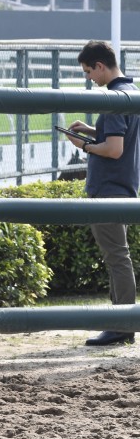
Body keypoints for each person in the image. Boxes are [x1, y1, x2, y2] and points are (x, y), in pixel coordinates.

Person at [63, 40, 139, 346]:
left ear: (100, 66)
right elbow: (117, 135)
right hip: (123, 186)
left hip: (107, 189)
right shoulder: (131, 93)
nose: (88, 78)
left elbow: (114, 148)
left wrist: (82, 145)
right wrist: (92, 130)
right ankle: (121, 323)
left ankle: (122, 325)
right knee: (118, 256)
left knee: (117, 257)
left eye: (88, 71)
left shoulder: (112, 98)